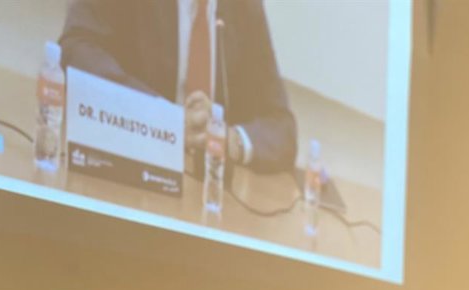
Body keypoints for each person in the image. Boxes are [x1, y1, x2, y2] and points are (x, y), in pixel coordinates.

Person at [59, 0, 297, 174]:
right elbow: (76, 50)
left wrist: (231, 140)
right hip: (124, 169)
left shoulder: (243, 6)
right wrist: (165, 121)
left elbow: (281, 127)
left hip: (202, 193)